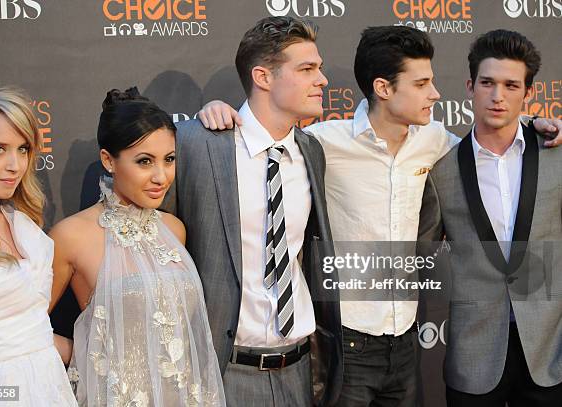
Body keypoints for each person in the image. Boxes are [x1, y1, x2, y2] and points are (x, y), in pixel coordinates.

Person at [197, 26, 562, 407]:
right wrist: (220, 111)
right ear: (385, 89)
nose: (435, 94)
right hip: (347, 342)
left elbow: (489, 147)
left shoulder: (437, 144)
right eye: (421, 84)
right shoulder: (322, 143)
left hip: (406, 340)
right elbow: (267, 135)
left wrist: (536, 125)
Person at [160, 16, 342, 407]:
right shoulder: (197, 143)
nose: (322, 80)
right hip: (223, 372)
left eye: (320, 68)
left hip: (299, 370)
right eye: (307, 69)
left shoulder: (311, 151)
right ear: (263, 77)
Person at [48, 88, 225, 406]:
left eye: (169, 159)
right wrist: (83, 353)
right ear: (108, 160)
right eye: (144, 161)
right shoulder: (70, 236)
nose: (161, 176)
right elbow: (21, 328)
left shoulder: (174, 229)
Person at [418, 29, 562, 406]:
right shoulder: (441, 168)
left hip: (549, 352)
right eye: (488, 83)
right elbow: (422, 249)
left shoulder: (556, 154)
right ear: (470, 86)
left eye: (511, 85)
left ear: (528, 94)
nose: (498, 96)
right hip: (473, 353)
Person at [0, 81, 77, 406]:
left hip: (51, 386)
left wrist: (95, 354)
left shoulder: (22, 223)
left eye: (22, 149)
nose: (15, 165)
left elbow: (30, 333)